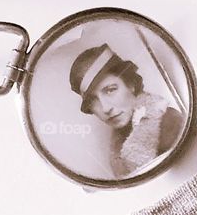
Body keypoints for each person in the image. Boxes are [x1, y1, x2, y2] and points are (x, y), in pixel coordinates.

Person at [68, 44, 185, 180]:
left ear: (130, 84)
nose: (105, 108)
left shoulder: (169, 123)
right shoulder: (118, 147)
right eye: (93, 100)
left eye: (111, 90)